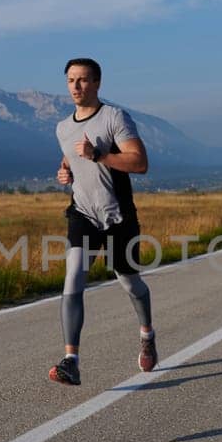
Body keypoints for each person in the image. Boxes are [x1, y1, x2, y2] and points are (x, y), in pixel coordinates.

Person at [51, 57, 157, 385]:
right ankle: (71, 360)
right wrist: (65, 172)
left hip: (117, 217)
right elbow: (71, 156)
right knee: (73, 280)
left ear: (97, 83)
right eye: (71, 80)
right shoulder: (63, 127)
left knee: (129, 283)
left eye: (83, 80)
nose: (76, 87)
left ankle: (147, 333)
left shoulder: (114, 117)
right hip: (82, 214)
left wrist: (101, 156)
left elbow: (140, 163)